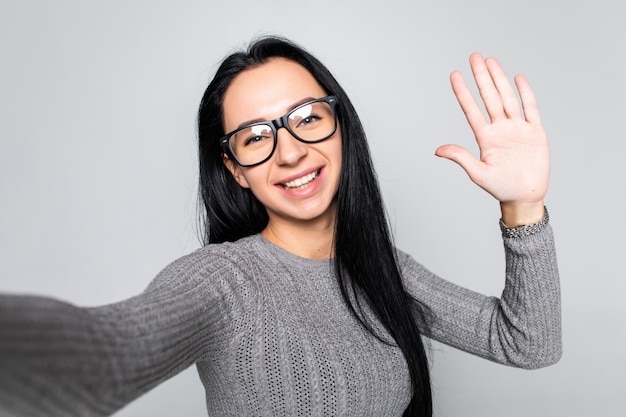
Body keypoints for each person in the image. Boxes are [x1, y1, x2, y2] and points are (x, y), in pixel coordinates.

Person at [0, 36, 561, 417]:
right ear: (235, 170)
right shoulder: (220, 281)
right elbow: (106, 357)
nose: (289, 152)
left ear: (340, 128)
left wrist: (524, 206)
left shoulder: (381, 269)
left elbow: (528, 343)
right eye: (255, 136)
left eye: (307, 119)